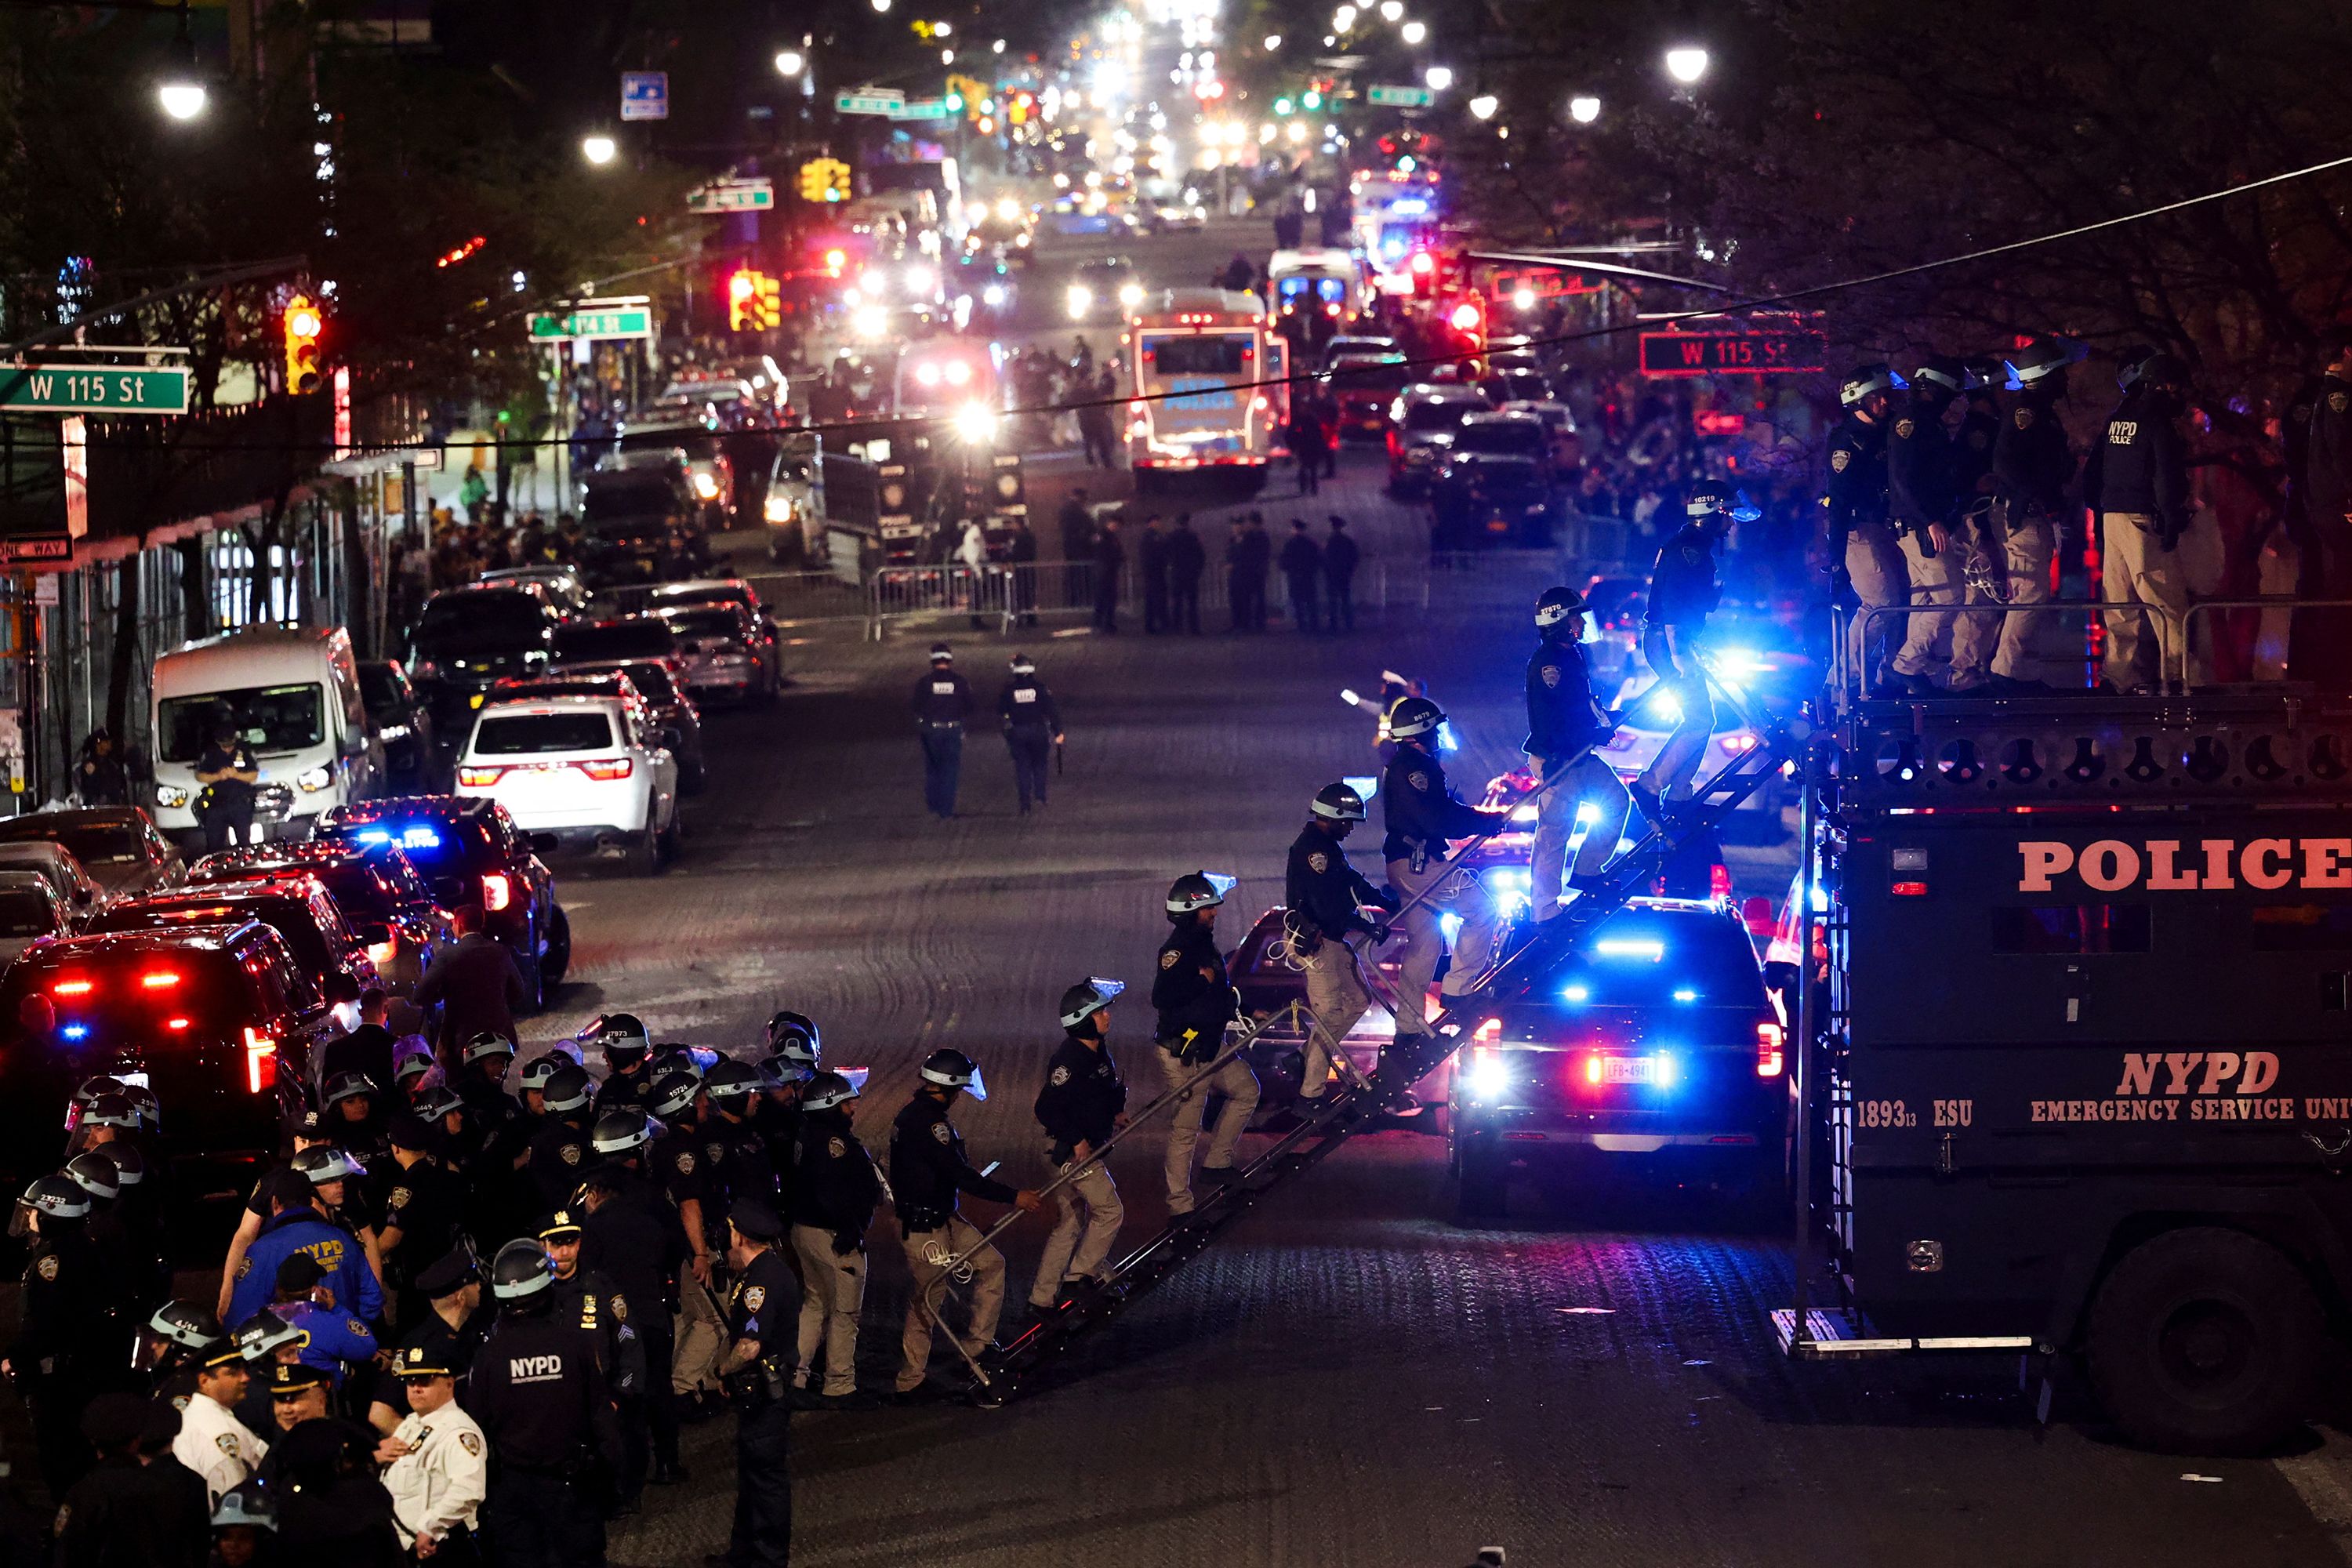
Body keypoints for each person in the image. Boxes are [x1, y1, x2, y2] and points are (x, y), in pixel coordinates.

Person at [888, 1049, 1043, 1399]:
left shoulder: (916, 1115)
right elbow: (961, 1175)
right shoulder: (931, 1124)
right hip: (926, 1229)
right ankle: (910, 1381)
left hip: (944, 1219)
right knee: (928, 1301)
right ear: (951, 1086)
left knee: (991, 1263)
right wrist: (1014, 1196)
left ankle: (976, 1345)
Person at [466, 1240, 622, 1568]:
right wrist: (612, 1484)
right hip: (573, 1489)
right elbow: (601, 1420)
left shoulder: (488, 1357)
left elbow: (476, 1429)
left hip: (515, 1494)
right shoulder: (574, 1345)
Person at [1381, 696, 1511, 1044]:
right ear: (1421, 732)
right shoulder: (1415, 769)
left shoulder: (1409, 766)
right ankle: (1458, 989)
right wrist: (1485, 822)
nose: (1440, 735)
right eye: (1435, 728)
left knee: (1425, 945)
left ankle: (1408, 1029)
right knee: (1483, 911)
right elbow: (1436, 817)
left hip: (1407, 863)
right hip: (1420, 866)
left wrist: (1480, 820)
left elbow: (1440, 811)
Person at [1958, 337, 2078, 692]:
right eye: (2062, 373)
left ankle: (2022, 672)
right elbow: (2007, 464)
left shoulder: (2037, 411)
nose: (2067, 381)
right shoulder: (2026, 412)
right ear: (2047, 375)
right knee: (2031, 593)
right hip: (2023, 513)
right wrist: (2034, 497)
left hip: (2029, 510)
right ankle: (2007, 671)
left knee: (2035, 593)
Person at [2084, 353, 2201, 692]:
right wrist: (2171, 516)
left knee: (2119, 604)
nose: (2180, 394)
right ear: (2162, 385)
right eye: (2177, 387)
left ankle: (2116, 676)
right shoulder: (2158, 423)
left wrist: (2101, 514)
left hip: (2112, 516)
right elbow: (2167, 475)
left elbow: (2094, 471)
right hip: (2144, 519)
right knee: (2166, 602)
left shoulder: (2119, 417)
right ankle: (2178, 677)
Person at [1151, 872, 1261, 1214]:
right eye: (1208, 908)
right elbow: (1162, 996)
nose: (1215, 913)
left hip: (1210, 1048)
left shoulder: (1202, 944)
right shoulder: (1177, 950)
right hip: (1185, 1054)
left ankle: (1217, 1163)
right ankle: (1180, 1207)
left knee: (1246, 1090)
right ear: (1188, 912)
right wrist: (1202, 982)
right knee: (1185, 1131)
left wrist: (1241, 1006)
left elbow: (1216, 993)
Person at [1283, 785, 1399, 1100]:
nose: (1350, 829)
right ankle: (1312, 1094)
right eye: (1347, 822)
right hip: (1316, 940)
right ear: (1332, 818)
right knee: (1332, 1014)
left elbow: (1350, 883)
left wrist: (1385, 901)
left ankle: (1303, 1056)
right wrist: (1365, 926)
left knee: (1359, 1001)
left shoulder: (1329, 848)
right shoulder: (1314, 852)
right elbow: (1326, 905)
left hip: (1331, 938)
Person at [574, 1164, 685, 1486]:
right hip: (652, 1315)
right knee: (660, 1389)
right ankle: (668, 1464)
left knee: (625, 1394)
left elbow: (587, 1275)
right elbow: (672, 1251)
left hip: (616, 1324)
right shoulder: (647, 1220)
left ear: (594, 1194)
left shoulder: (593, 1228)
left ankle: (629, 1476)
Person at [1524, 587, 1632, 918]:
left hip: (1578, 755)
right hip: (1558, 760)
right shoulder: (1549, 665)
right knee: (1554, 834)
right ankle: (1543, 910)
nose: (1582, 625)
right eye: (1575, 618)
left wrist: (1603, 721)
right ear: (1557, 621)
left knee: (1616, 800)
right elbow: (1553, 719)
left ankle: (1587, 870)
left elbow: (1580, 706)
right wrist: (1590, 733)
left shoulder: (1571, 655)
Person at [1632, 485, 1737, 819]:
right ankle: (1651, 785)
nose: (1731, 524)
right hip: (1669, 643)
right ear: (1712, 515)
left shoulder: (1692, 547)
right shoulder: (1688, 551)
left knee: (1702, 719)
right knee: (1700, 719)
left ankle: (1679, 794)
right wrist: (1680, 656)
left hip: (1676, 641)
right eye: (1727, 515)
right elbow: (1674, 607)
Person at [1029, 978, 1129, 1313]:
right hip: (1069, 1152)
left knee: (1070, 1222)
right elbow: (1046, 1108)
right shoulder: (1069, 1060)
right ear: (1084, 1018)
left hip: (1076, 1146)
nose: (1107, 1017)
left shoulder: (1096, 1049)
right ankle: (1081, 1276)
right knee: (1110, 1211)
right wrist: (1077, 1139)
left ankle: (1041, 1299)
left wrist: (1115, 1112)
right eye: (1100, 1012)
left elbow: (1096, 1092)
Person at [716, 1199, 798, 1567]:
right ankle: (743, 1554)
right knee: (752, 1477)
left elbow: (749, 1347)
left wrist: (722, 1370)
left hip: (765, 1392)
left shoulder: (760, 1283)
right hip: (759, 1391)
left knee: (765, 1479)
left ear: (739, 1236)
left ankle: (768, 1559)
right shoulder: (767, 1271)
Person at [789, 1070, 879, 1407]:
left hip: (806, 1230)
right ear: (829, 1105)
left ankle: (795, 1376)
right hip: (830, 1236)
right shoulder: (832, 1143)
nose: (853, 1108)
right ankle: (839, 1385)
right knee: (844, 1312)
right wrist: (849, 1228)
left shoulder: (808, 1133)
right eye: (846, 1103)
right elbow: (831, 1192)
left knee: (815, 1306)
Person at [1883, 356, 1969, 694]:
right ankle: (1906, 665)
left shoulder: (1924, 422)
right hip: (1920, 528)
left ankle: (1912, 668)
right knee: (1951, 595)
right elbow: (1905, 479)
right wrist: (1930, 520)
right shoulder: (1913, 422)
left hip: (1919, 525)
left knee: (1927, 601)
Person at [50, 1391, 212, 1568]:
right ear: (136, 1441)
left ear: (93, 1440)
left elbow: (67, 1555)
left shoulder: (84, 1493)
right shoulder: (171, 1488)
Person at [1826, 363, 1903, 695]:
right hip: (1858, 530)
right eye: (1877, 398)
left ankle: (1892, 672)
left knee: (1901, 603)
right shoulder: (1846, 442)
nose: (1885, 403)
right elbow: (1839, 502)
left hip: (1887, 527)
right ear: (1857, 401)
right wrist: (1836, 559)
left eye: (1887, 396)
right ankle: (1844, 679)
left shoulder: (1889, 433)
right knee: (1880, 603)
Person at [225, 1168, 383, 1327]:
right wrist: (351, 1330)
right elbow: (372, 1298)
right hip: (346, 1343)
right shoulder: (342, 1238)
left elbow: (241, 1317)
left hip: (293, 1348)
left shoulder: (263, 1251)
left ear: (275, 1202)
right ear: (310, 1201)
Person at [380, 1344, 488, 1563]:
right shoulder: (410, 1425)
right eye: (410, 1382)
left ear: (449, 1383)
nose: (416, 1388)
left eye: (425, 1381)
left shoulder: (459, 1431)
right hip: (405, 1547)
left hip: (440, 1546)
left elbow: (469, 1490)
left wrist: (431, 1526)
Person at [2297, 328, 2352, 691]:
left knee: (2339, 584)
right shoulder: (2339, 396)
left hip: (2325, 505)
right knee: (2343, 587)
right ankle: (2335, 674)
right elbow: (2344, 450)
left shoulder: (2320, 395)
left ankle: (2331, 672)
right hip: (2339, 506)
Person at [414, 906, 528, 1056]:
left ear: (460, 925)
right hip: (498, 1035)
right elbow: (518, 991)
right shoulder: (500, 951)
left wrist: (441, 995)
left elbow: (421, 994)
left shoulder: (448, 955)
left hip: (460, 1038)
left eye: (454, 923)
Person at [172, 1338, 268, 1509]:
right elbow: (233, 1503)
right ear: (204, 1381)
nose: (245, 1378)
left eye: (244, 1370)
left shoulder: (201, 1415)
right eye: (233, 1373)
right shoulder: (217, 1430)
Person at [910, 643, 974, 819]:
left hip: (931, 730)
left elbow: (916, 706)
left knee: (933, 767)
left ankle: (933, 804)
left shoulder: (924, 683)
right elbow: (970, 706)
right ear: (950, 661)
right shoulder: (960, 682)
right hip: (952, 729)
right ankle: (946, 810)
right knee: (950, 770)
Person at [997, 653, 1063, 815]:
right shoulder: (1040, 688)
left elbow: (1000, 710)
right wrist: (1058, 732)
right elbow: (1051, 710)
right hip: (1038, 731)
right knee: (1040, 765)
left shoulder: (1009, 690)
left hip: (1018, 732)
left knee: (1022, 768)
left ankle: (1025, 804)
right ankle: (1040, 797)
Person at [318, 989, 397, 1103]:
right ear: (386, 1009)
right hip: (389, 1116)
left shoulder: (335, 1049)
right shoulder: (397, 1047)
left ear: (360, 1012)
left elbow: (327, 1094)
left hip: (349, 1119)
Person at [194, 723, 260, 853]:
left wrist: (236, 775)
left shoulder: (245, 750)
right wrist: (218, 776)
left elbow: (254, 775)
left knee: (245, 844)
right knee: (214, 846)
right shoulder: (210, 752)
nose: (227, 749)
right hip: (216, 804)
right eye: (224, 746)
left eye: (230, 745)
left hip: (240, 803)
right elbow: (200, 776)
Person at [1278, 517, 1323, 632]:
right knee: (1311, 602)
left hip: (1295, 577)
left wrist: (1289, 569)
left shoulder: (1289, 544)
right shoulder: (1311, 544)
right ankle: (1314, 625)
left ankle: (1301, 626)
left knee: (1298, 603)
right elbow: (1318, 560)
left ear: (1294, 529)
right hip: (1308, 577)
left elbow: (1283, 562)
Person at [1166, 514, 1206, 633]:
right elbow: (1201, 556)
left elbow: (1166, 554)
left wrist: (1170, 567)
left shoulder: (1171, 537)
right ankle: (1194, 627)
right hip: (1191, 574)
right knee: (1192, 602)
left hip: (1177, 573)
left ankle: (1177, 627)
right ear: (1187, 523)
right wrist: (1197, 571)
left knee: (1177, 601)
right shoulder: (1193, 537)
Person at [1231, 513, 1272, 630]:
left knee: (1250, 598)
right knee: (1257, 597)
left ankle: (1250, 623)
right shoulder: (1262, 536)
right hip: (1257, 571)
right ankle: (1258, 623)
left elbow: (1245, 552)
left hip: (1251, 571)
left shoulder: (1251, 536)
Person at [73, 728, 130, 807]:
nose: (110, 743)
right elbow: (85, 793)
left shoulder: (112, 766)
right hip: (92, 812)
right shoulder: (84, 767)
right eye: (106, 741)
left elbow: (118, 790)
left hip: (112, 810)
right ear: (98, 742)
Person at [1057, 489, 1094, 607]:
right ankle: (1080, 601)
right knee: (1080, 576)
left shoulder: (1067, 509)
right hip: (1080, 549)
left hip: (1074, 548)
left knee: (1075, 575)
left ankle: (1075, 601)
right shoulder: (1075, 510)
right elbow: (1085, 527)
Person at [1323, 515, 1359, 632]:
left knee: (1333, 600)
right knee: (1345, 599)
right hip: (1344, 574)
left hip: (1332, 575)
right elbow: (1355, 557)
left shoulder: (1330, 541)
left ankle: (1334, 625)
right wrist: (1350, 571)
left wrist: (1327, 572)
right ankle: (1349, 624)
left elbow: (1326, 559)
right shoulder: (1347, 541)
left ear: (1332, 527)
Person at [1091, 514, 1124, 633]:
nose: (1117, 528)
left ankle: (1106, 622)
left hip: (1110, 572)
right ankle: (1101, 622)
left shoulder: (1112, 537)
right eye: (1117, 525)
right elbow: (1101, 551)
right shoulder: (1102, 535)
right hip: (1104, 572)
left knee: (1109, 598)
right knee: (1103, 598)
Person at [1139, 514, 1171, 633]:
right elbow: (1153, 554)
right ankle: (1158, 624)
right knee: (1156, 598)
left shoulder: (1152, 536)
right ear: (1151, 522)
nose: (1159, 524)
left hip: (1154, 572)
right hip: (1154, 572)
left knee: (1154, 598)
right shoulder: (1150, 536)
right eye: (1157, 522)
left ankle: (1153, 624)